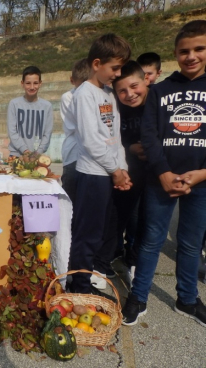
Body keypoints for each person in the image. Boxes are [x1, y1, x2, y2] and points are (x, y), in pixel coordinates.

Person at [122, 20, 206, 327]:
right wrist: (164, 172)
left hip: (201, 182)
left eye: (199, 49)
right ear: (175, 53)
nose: (191, 56)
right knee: (151, 240)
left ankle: (187, 299)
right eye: (184, 50)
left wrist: (201, 174)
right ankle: (138, 296)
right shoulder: (161, 91)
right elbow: (149, 136)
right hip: (163, 180)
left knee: (190, 243)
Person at [66, 33, 132, 296]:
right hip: (93, 175)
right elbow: (92, 141)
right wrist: (115, 170)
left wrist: (123, 167)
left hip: (108, 173)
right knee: (87, 234)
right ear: (96, 64)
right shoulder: (85, 94)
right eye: (114, 68)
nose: (117, 74)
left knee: (101, 231)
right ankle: (79, 285)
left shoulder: (107, 94)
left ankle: (85, 280)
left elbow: (115, 137)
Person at [111, 61, 150, 285]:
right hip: (127, 172)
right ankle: (112, 255)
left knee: (145, 223)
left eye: (134, 87)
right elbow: (114, 137)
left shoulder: (156, 102)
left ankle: (134, 262)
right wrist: (131, 148)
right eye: (122, 91)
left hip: (154, 174)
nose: (129, 94)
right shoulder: (118, 106)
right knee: (122, 216)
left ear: (146, 79)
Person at [60, 58, 90, 204]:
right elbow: (79, 127)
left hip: (93, 158)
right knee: (69, 200)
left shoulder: (99, 95)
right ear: (72, 81)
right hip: (73, 155)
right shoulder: (67, 97)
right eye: (80, 85)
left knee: (88, 201)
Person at [7, 66, 53, 157]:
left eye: (35, 83)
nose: (32, 87)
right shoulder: (14, 104)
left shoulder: (47, 106)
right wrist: (25, 150)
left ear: (40, 83)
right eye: (28, 83)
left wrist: (38, 152)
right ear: (22, 83)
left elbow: (47, 134)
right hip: (16, 155)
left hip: (37, 155)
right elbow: (12, 131)